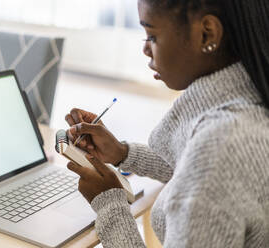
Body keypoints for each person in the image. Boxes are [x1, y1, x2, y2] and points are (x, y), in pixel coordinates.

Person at [64, 0, 269, 247]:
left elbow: (208, 173)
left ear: (207, 34)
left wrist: (110, 204)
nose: (145, 49)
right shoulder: (253, 100)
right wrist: (122, 153)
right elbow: (199, 176)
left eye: (152, 35)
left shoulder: (218, 148)